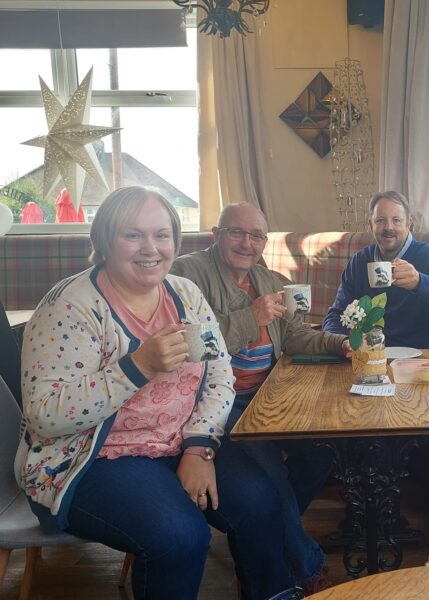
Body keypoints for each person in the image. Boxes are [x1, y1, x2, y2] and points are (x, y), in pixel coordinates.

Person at [15, 187, 297, 600]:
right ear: (104, 240)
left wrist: (199, 446)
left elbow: (220, 376)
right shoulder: (70, 307)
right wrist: (137, 367)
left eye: (161, 235)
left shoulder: (185, 295)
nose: (151, 249)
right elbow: (45, 414)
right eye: (133, 235)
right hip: (88, 458)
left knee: (260, 500)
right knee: (179, 534)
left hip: (178, 442)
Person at [171, 202, 349, 593]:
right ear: (216, 235)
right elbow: (189, 342)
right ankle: (305, 568)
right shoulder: (187, 273)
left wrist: (342, 344)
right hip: (215, 402)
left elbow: (297, 335)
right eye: (236, 232)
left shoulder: (270, 280)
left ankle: (261, 540)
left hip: (265, 394)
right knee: (269, 470)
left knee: (322, 446)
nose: (247, 243)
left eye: (256, 236)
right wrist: (252, 317)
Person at [323, 190, 429, 351]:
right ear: (370, 224)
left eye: (396, 220)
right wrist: (342, 342)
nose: (388, 227)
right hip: (372, 357)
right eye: (380, 220)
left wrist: (419, 282)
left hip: (424, 358)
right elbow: (337, 314)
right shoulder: (359, 262)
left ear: (409, 224)